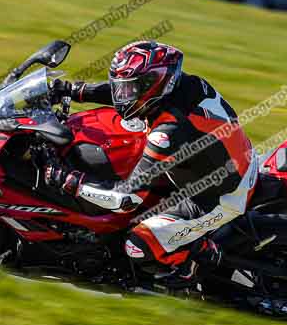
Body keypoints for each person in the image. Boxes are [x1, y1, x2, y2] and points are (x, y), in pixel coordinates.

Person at [45, 41, 258, 285]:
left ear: (152, 85)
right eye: (121, 88)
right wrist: (74, 90)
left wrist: (70, 181)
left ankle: (189, 264)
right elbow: (125, 95)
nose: (122, 96)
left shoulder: (169, 130)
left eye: (129, 89)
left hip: (219, 196)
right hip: (207, 166)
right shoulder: (184, 85)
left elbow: (126, 199)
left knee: (137, 244)